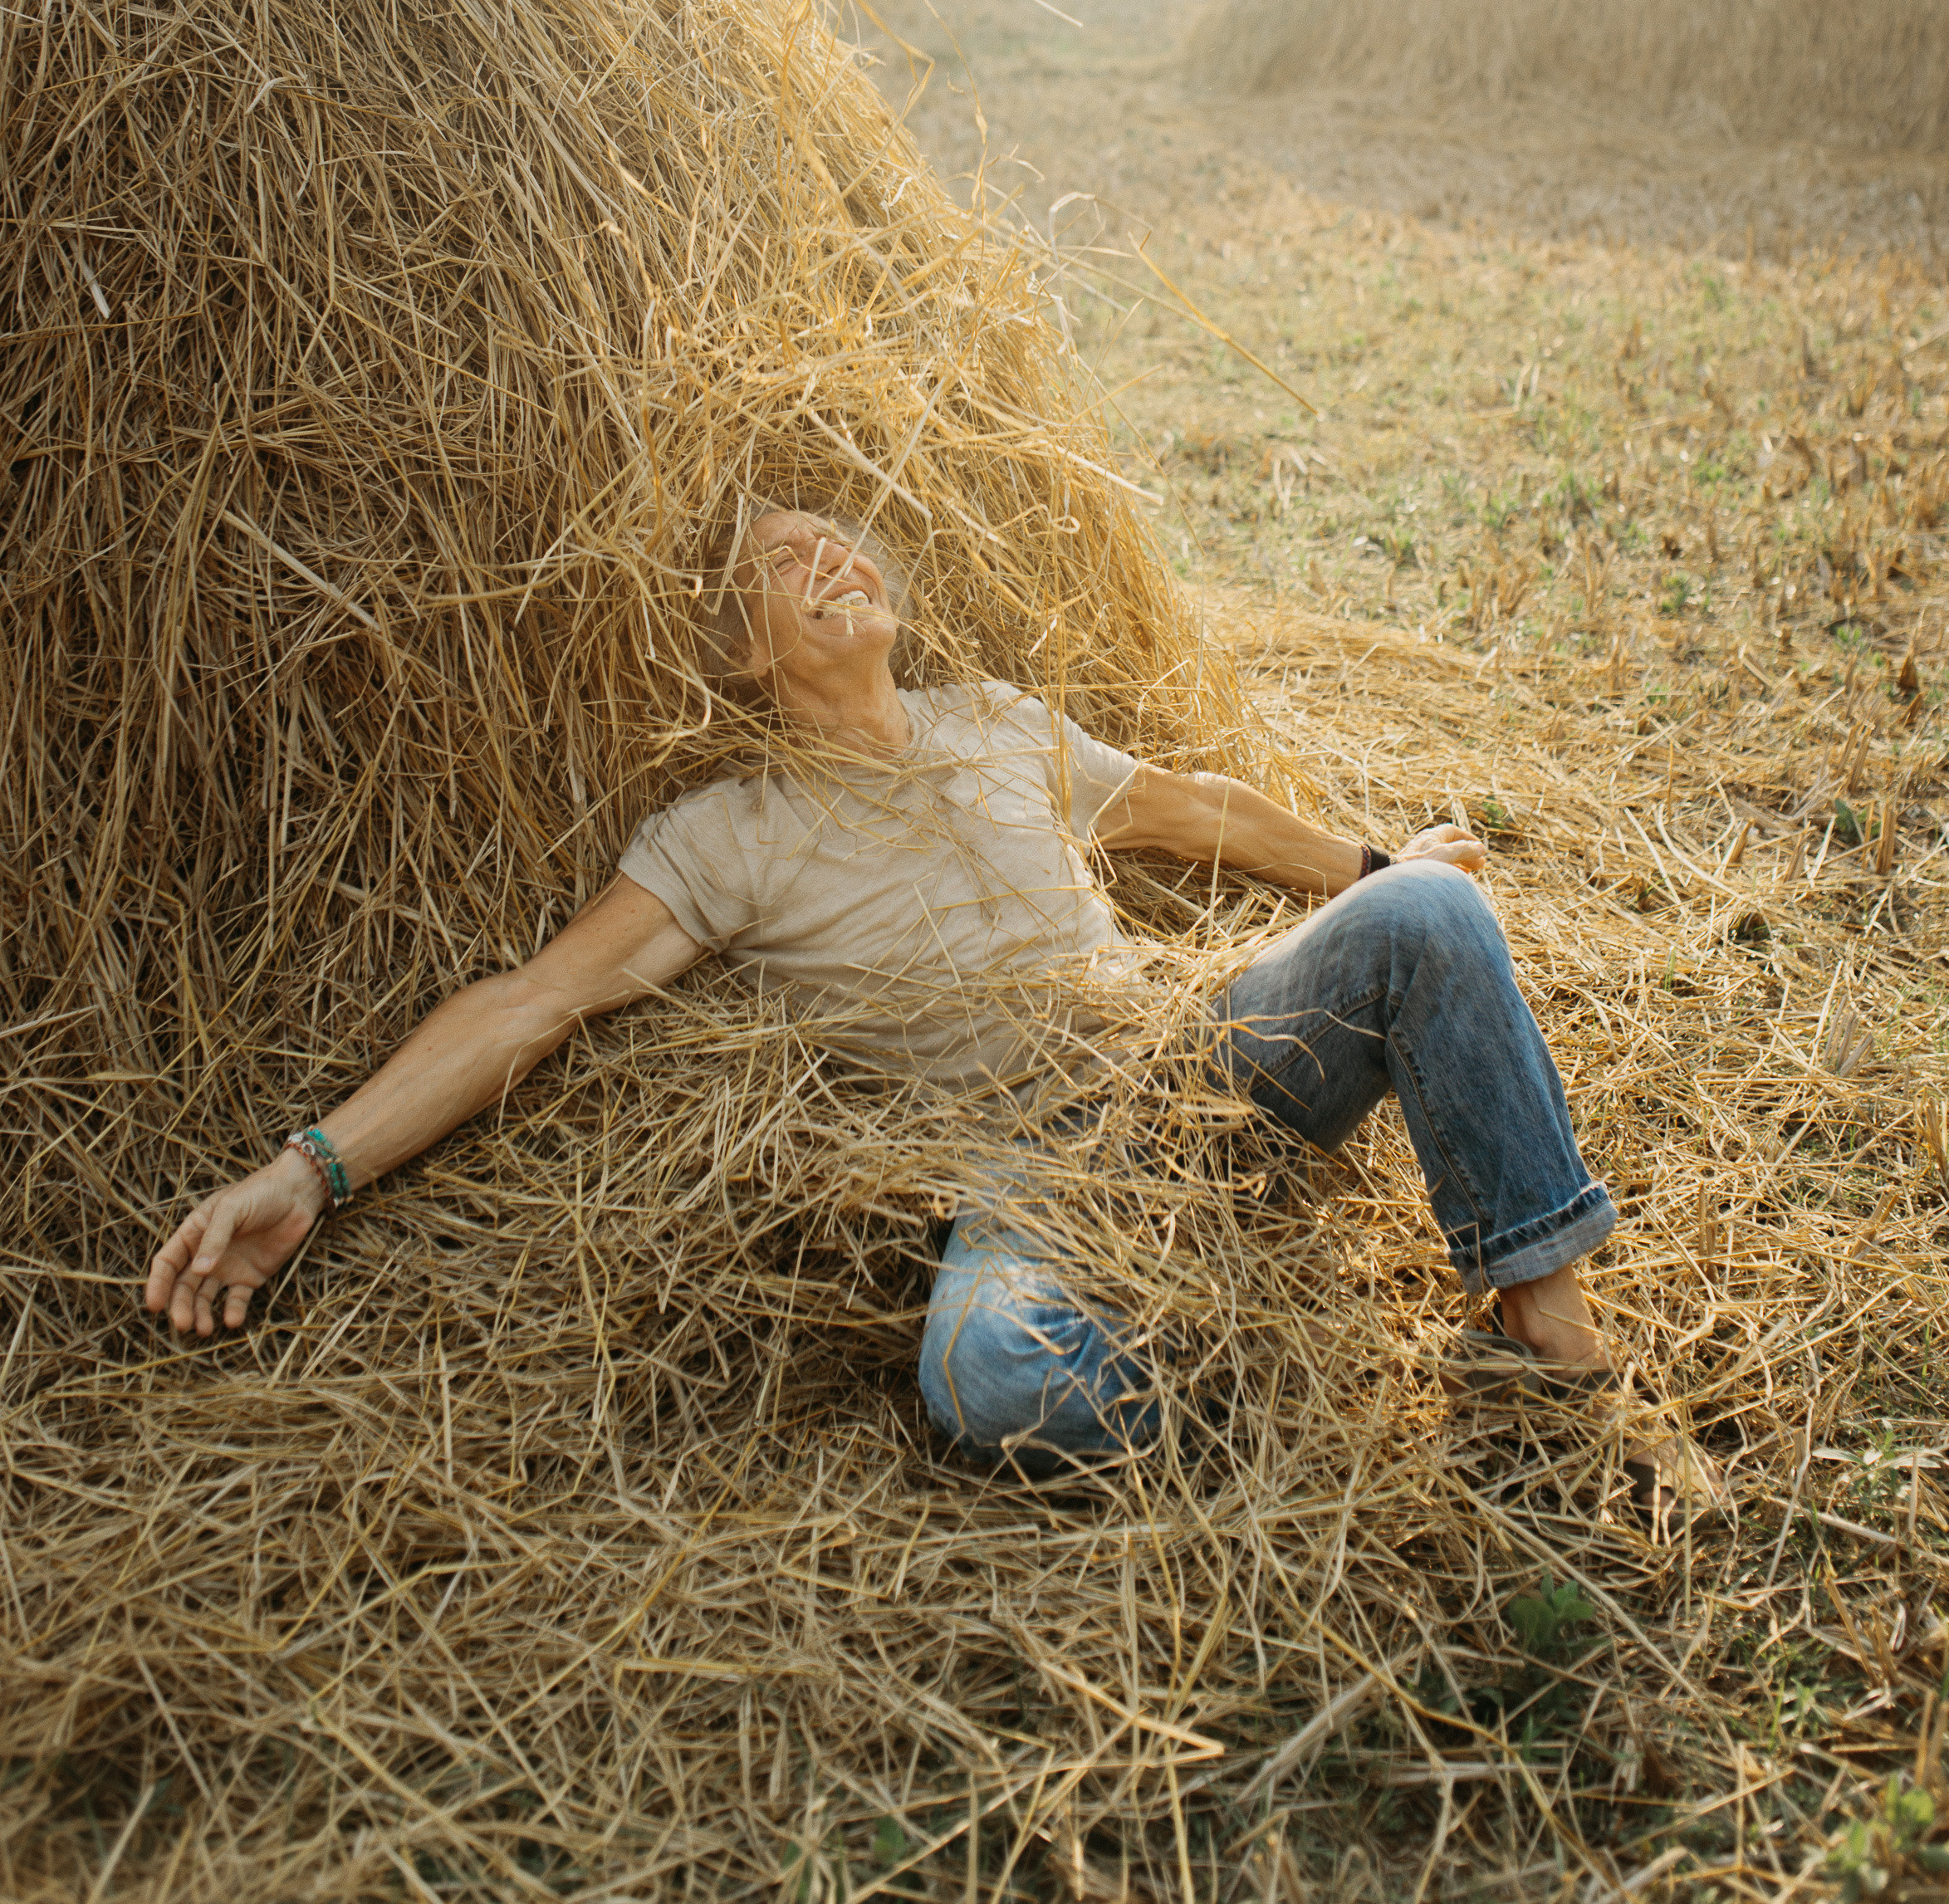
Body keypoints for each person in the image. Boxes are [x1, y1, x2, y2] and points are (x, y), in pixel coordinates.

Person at [145, 505, 1628, 1475]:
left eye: (837, 538)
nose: (828, 558)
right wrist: (313, 1168)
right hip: (1023, 1174)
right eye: (781, 564)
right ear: (738, 649)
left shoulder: (991, 722)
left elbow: (1186, 811)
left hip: (1191, 1068)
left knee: (1431, 911)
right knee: (989, 1379)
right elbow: (531, 1003)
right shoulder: (724, 833)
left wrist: (1377, 865)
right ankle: (1248, 1388)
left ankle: (1537, 1321)